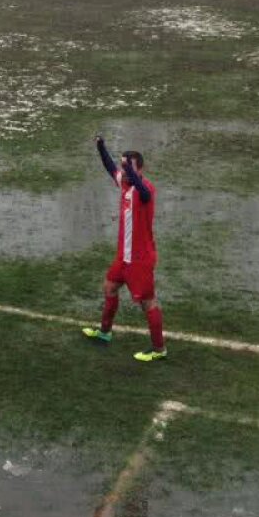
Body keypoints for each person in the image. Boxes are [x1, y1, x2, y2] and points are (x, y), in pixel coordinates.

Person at [82, 135, 166, 362]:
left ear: (141, 168)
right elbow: (110, 167)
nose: (124, 171)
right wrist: (101, 147)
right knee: (109, 287)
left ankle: (159, 350)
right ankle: (105, 332)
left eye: (129, 167)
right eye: (124, 166)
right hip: (123, 257)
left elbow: (144, 191)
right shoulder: (125, 182)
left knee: (148, 302)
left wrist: (131, 171)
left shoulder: (145, 189)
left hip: (140, 259)